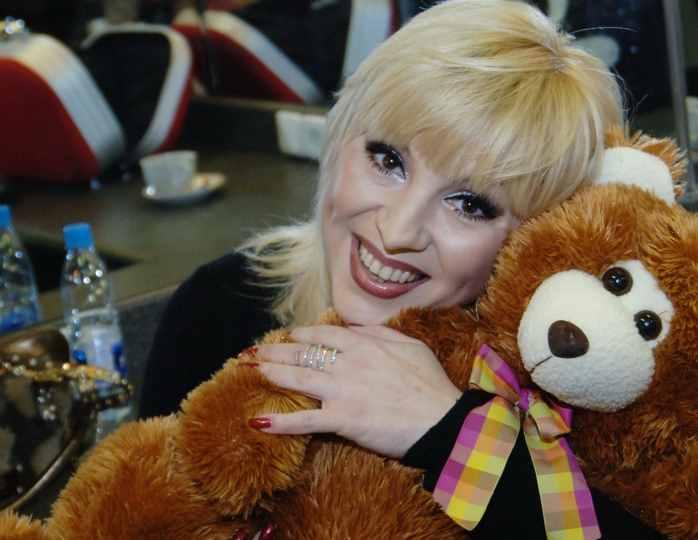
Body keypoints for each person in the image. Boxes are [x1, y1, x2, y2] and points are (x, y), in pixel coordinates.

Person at [140, 1, 663, 537]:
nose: (398, 230)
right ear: (341, 137)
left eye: (469, 204)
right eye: (388, 160)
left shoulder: (569, 382)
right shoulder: (221, 304)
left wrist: (447, 432)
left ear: (538, 237)